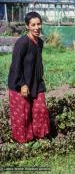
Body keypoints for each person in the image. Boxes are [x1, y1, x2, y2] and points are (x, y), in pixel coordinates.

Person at [8, 11, 50, 143]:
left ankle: (40, 136)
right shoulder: (22, 43)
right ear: (27, 26)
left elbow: (37, 64)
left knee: (40, 110)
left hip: (36, 82)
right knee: (23, 114)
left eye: (39, 24)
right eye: (33, 25)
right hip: (20, 83)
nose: (37, 27)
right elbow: (16, 65)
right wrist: (22, 84)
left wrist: (39, 80)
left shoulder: (40, 43)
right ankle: (24, 141)